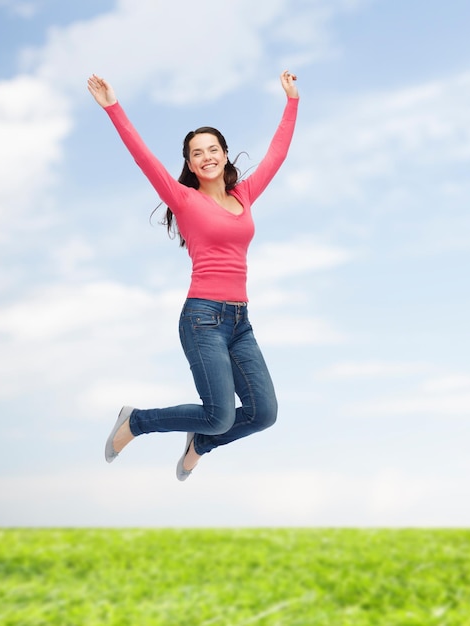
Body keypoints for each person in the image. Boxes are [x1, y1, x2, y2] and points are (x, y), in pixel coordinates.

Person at [87, 70, 299, 481]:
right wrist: (113, 107)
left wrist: (292, 101)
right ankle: (136, 421)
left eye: (213, 149)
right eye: (196, 152)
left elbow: (278, 154)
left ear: (224, 154)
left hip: (240, 321)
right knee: (218, 414)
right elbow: (143, 157)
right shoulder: (183, 200)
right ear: (189, 163)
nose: (206, 156)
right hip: (202, 318)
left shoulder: (245, 195)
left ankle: (199, 443)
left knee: (263, 413)